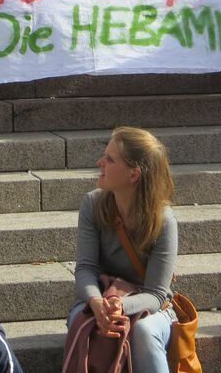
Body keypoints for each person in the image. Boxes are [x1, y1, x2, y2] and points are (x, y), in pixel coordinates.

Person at [71, 127, 178, 373]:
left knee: (144, 330)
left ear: (133, 175)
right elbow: (85, 268)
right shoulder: (92, 204)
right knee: (81, 319)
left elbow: (156, 295)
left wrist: (117, 307)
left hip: (149, 306)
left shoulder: (163, 220)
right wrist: (97, 302)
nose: (100, 163)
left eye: (110, 159)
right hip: (99, 297)